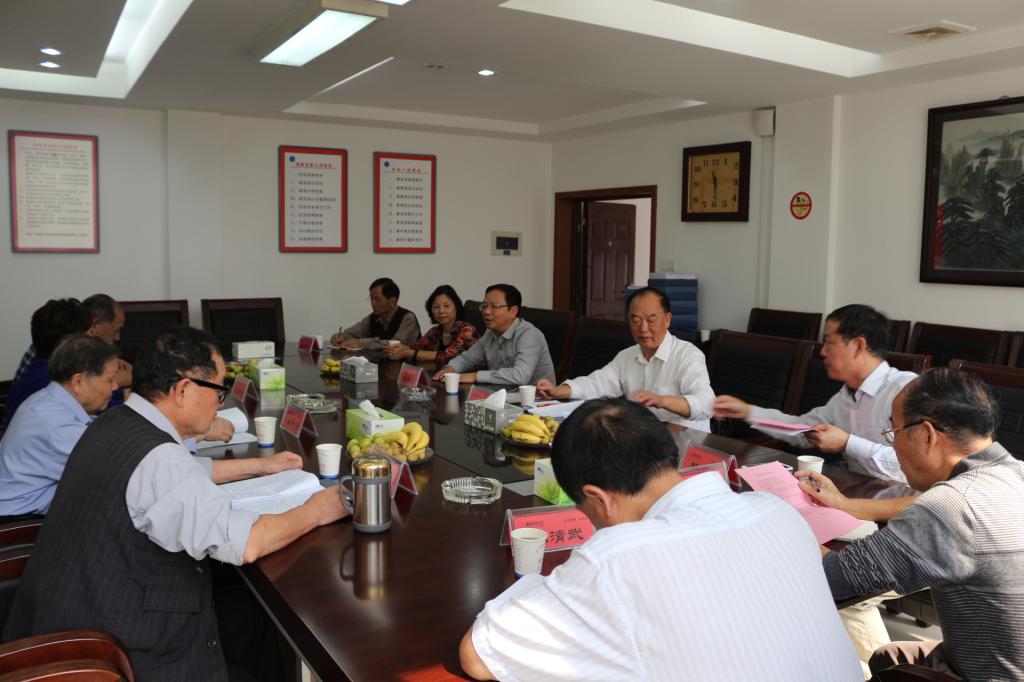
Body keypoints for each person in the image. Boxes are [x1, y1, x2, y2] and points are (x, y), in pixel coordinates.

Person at [4, 326, 348, 681]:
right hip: (113, 651)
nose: (220, 403)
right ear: (184, 390)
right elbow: (248, 543)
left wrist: (260, 466)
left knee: (249, 614)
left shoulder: (116, 421)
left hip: (75, 615)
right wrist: (318, 509)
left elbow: (184, 471)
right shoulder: (159, 459)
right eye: (218, 391)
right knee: (257, 620)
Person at [459, 398, 861, 681]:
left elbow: (478, 656)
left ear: (597, 498)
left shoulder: (616, 558)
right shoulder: (777, 511)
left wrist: (540, 584)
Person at [798, 368, 1024, 680]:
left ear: (927, 434)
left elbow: (831, 578)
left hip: (983, 674)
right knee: (887, 656)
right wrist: (846, 505)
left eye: (894, 432)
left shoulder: (951, 506)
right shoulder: (1013, 474)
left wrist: (791, 528)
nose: (893, 446)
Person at [714, 304, 916, 483]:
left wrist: (847, 442)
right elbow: (801, 430)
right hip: (860, 488)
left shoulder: (905, 390)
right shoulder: (845, 397)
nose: (822, 352)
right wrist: (747, 411)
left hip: (902, 498)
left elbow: (909, 464)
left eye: (830, 343)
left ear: (858, 346)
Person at [536, 286, 714, 430]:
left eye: (651, 320)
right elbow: (598, 383)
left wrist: (662, 401)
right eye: (636, 320)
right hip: (644, 438)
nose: (643, 328)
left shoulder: (688, 355)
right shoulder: (627, 356)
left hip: (687, 442)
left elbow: (707, 404)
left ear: (667, 320)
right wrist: (558, 391)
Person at [0, 334, 119, 519]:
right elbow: (114, 469)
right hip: (22, 524)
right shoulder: (56, 425)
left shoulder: (47, 400)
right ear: (78, 382)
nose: (116, 386)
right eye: (109, 380)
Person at [433, 284, 555, 386]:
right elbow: (467, 359)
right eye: (484, 306)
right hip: (502, 396)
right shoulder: (490, 333)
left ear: (513, 311)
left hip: (536, 401)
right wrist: (451, 368)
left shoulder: (529, 335)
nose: (486, 312)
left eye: (494, 307)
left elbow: (520, 375)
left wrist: (475, 376)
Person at [3, 298, 91, 428]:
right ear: (70, 345)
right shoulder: (55, 381)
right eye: (87, 338)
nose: (91, 344)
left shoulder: (39, 370)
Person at [383, 285, 479, 365]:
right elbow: (415, 348)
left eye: (446, 306)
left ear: (456, 307)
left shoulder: (467, 330)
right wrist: (397, 349)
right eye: (436, 307)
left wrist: (407, 353)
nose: (441, 311)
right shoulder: (435, 332)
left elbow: (447, 356)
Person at [330, 278, 421, 349]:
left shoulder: (408, 318)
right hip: (378, 365)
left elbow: (396, 344)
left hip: (406, 366)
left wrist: (361, 343)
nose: (373, 304)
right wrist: (338, 337)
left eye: (377, 300)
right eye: (371, 299)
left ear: (392, 301)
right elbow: (349, 333)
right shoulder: (373, 318)